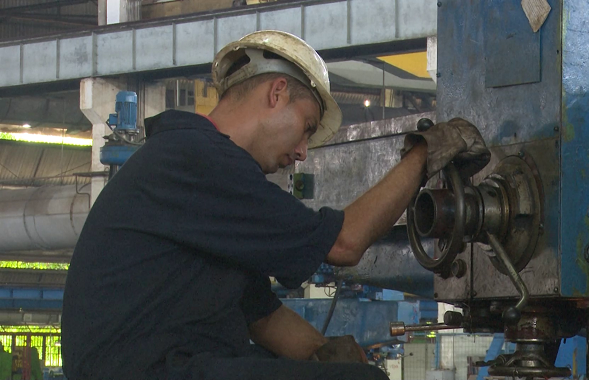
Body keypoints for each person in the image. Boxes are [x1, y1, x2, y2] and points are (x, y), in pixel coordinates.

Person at [61, 30, 489, 380]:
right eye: (305, 128)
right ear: (277, 92)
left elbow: (260, 316)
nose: (302, 152)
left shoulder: (197, 171)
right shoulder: (199, 158)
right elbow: (344, 243)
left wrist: (324, 352)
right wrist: (423, 156)